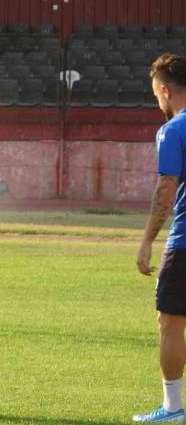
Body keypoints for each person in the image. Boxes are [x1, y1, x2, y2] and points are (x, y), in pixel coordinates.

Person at [134, 53, 186, 423]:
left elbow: (166, 188)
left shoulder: (173, 130)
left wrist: (147, 240)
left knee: (170, 322)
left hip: (184, 244)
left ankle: (172, 408)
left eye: (156, 96)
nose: (158, 104)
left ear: (165, 91)